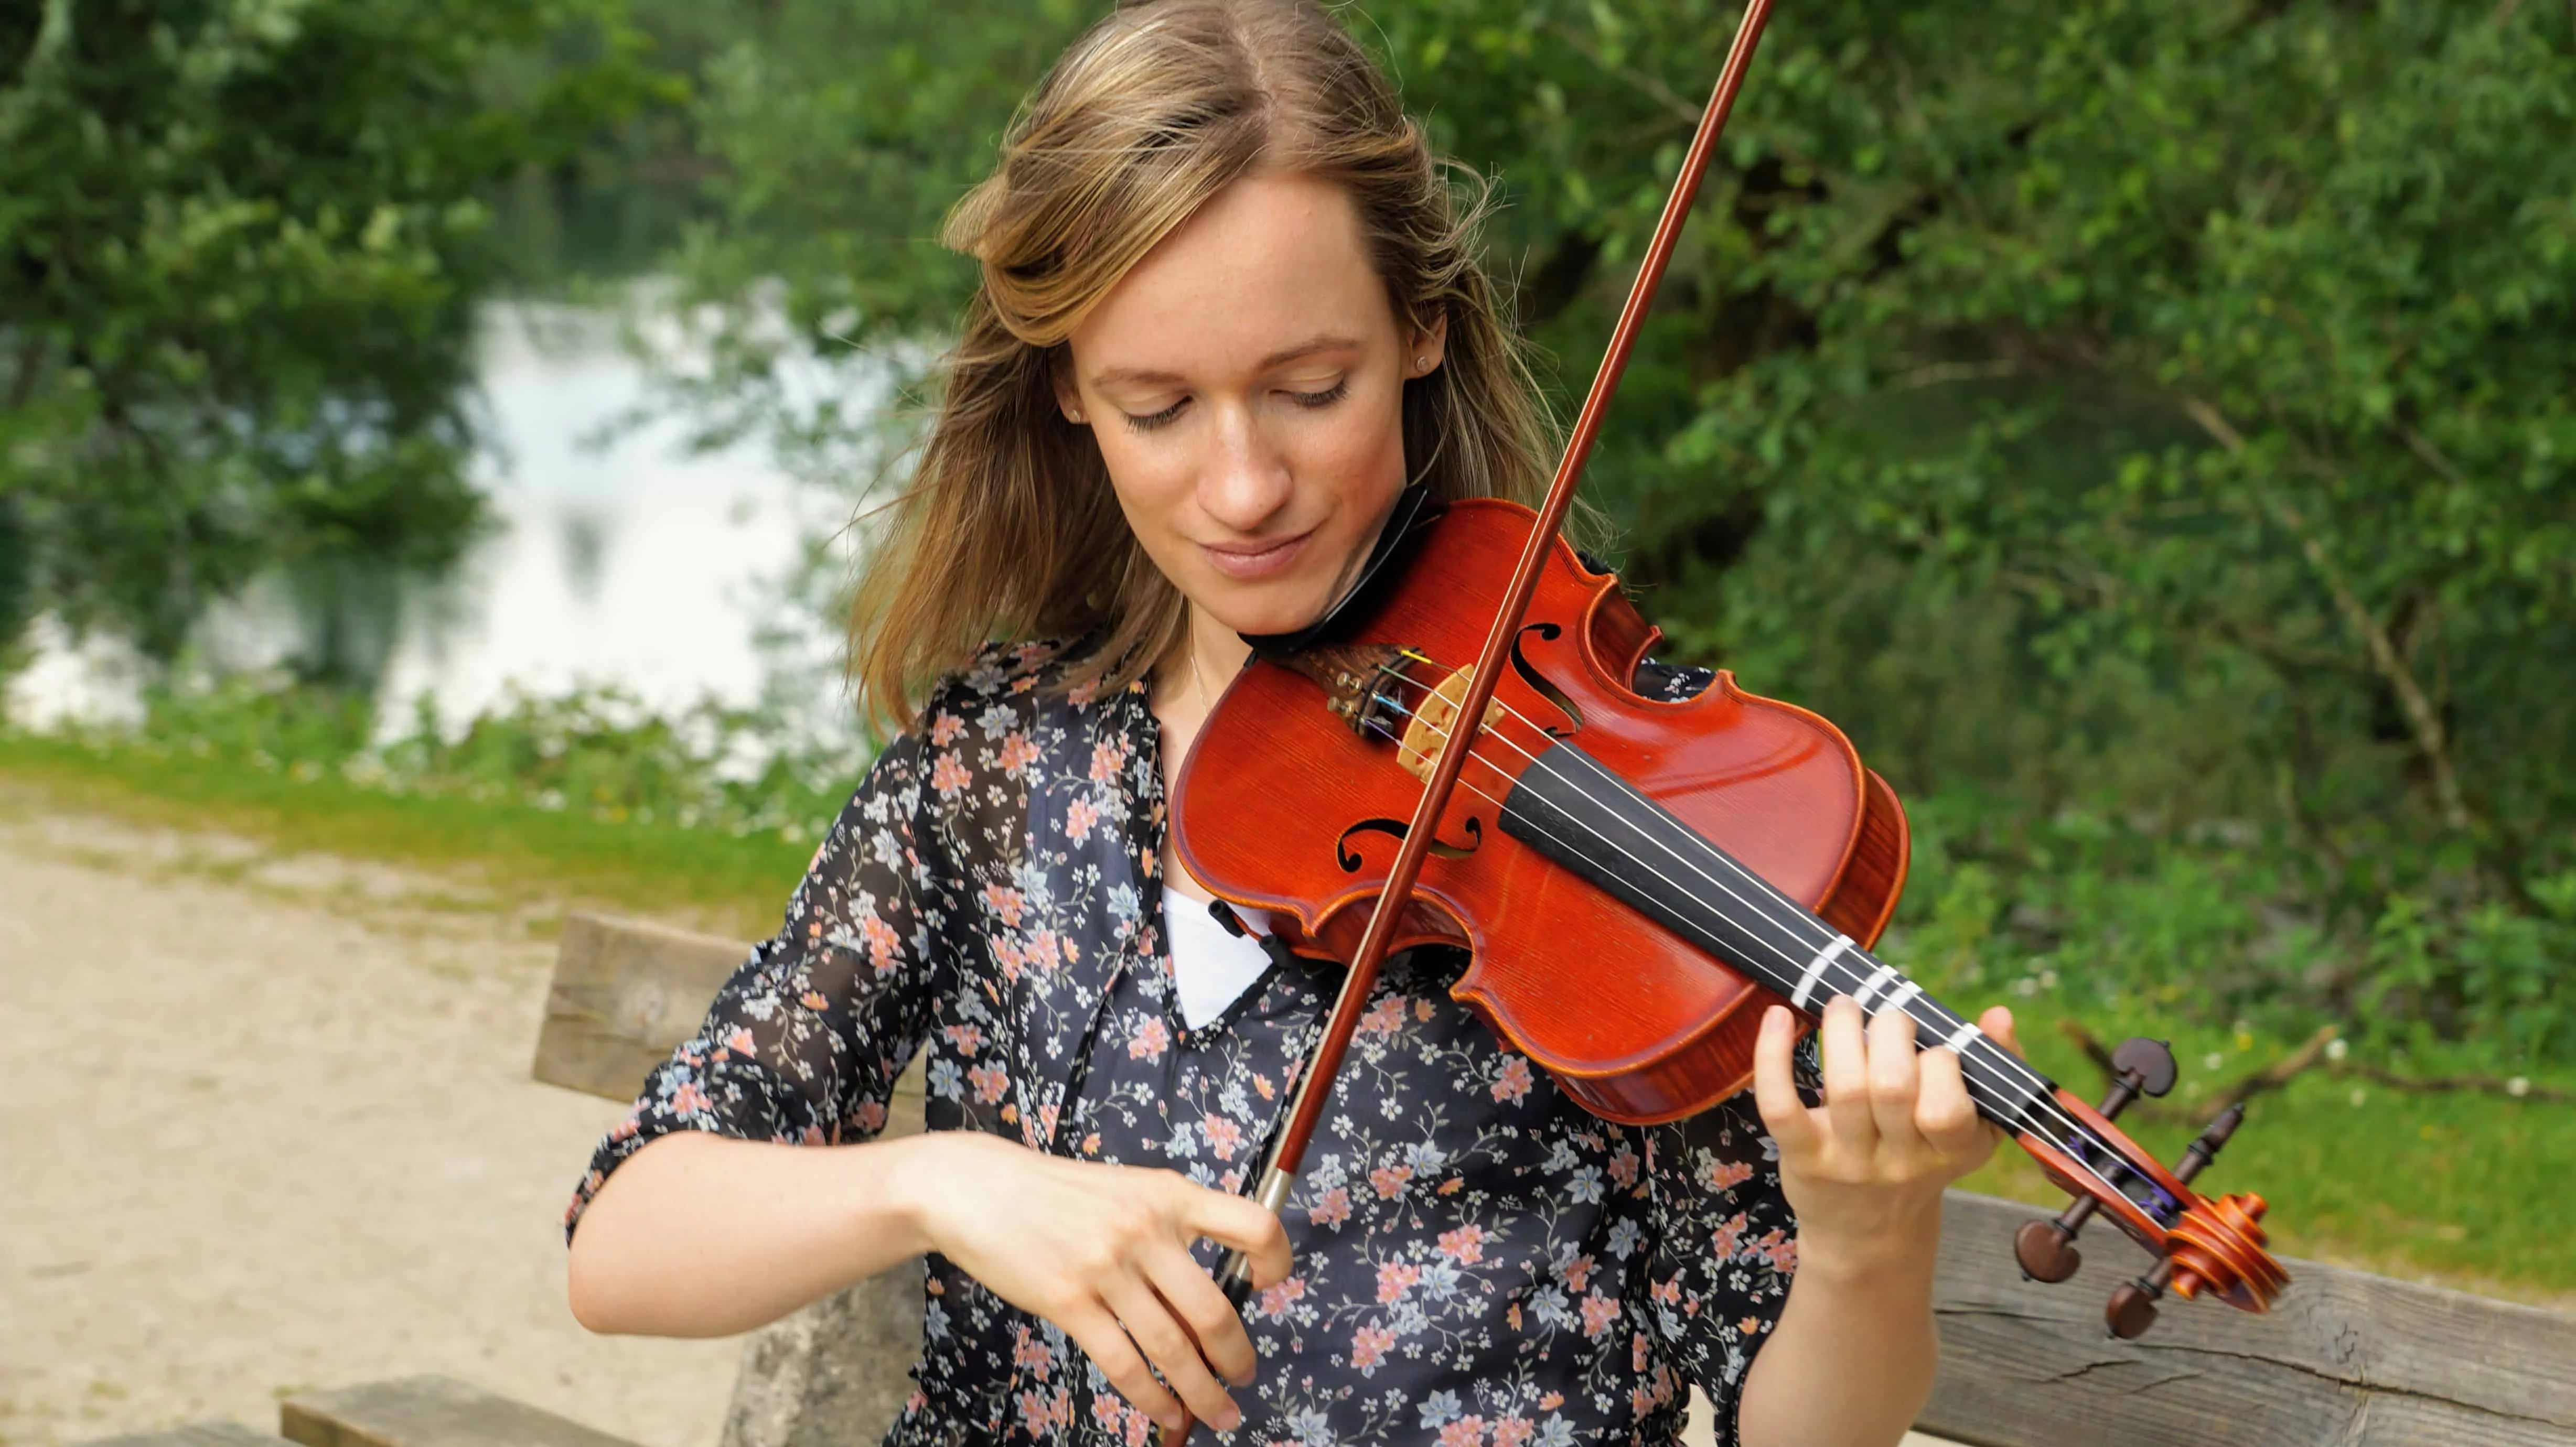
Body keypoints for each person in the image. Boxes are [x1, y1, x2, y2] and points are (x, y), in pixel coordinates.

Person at [562, 4, 2020, 1444]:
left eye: (1308, 389)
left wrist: (1868, 1245)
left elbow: (1807, 1428)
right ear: (1069, 392)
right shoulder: (1002, 763)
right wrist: (939, 1181)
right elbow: (624, 1241)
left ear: (1420, 331)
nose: (1245, 485)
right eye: (1159, 408)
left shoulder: (1596, 825)